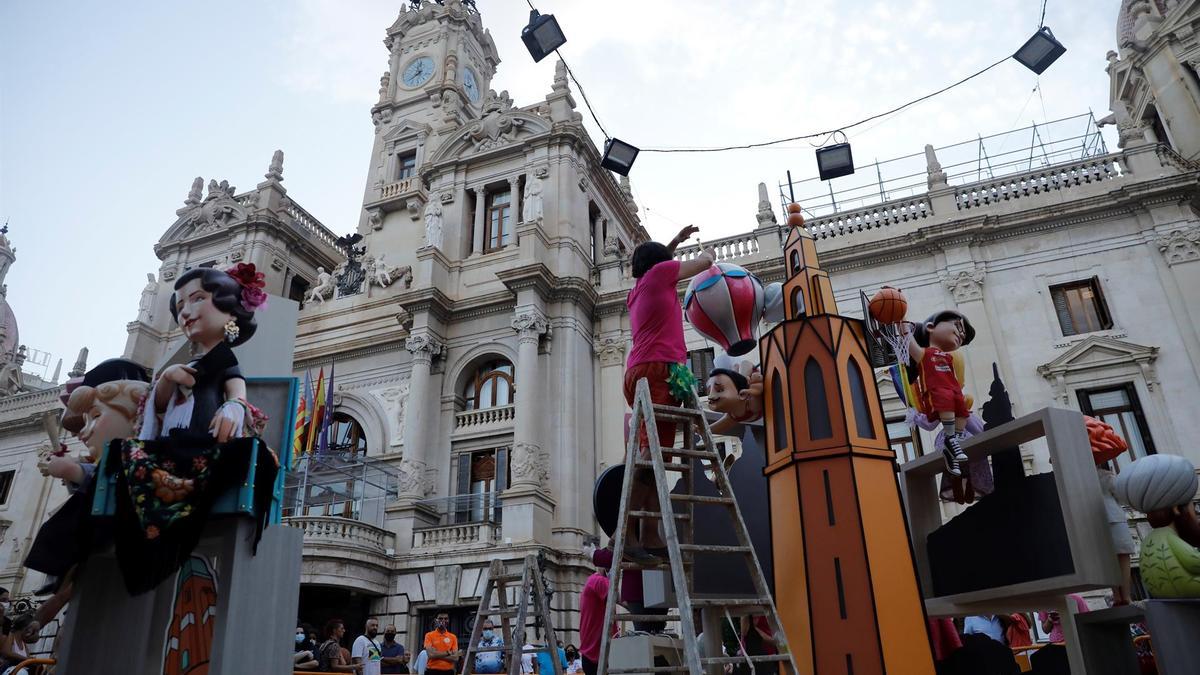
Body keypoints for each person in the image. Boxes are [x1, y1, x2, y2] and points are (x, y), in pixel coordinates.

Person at [624, 226, 715, 563]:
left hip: (643, 371)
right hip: (657, 371)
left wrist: (674, 242)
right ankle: (627, 533)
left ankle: (647, 534)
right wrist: (707, 253)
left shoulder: (637, 289)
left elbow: (658, 259)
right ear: (661, 263)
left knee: (656, 456)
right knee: (650, 457)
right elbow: (704, 263)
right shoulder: (661, 275)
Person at [904, 310, 976, 476]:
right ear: (930, 327)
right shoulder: (925, 353)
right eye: (958, 326)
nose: (960, 334)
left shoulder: (948, 357)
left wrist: (958, 390)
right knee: (947, 404)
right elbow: (910, 344)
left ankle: (952, 448)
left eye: (963, 336)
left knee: (963, 413)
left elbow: (951, 376)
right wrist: (903, 324)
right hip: (938, 390)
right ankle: (951, 440)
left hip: (952, 389)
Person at [579, 547, 617, 675]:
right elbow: (624, 601)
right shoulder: (600, 581)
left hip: (593, 652)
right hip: (596, 654)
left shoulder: (593, 580)